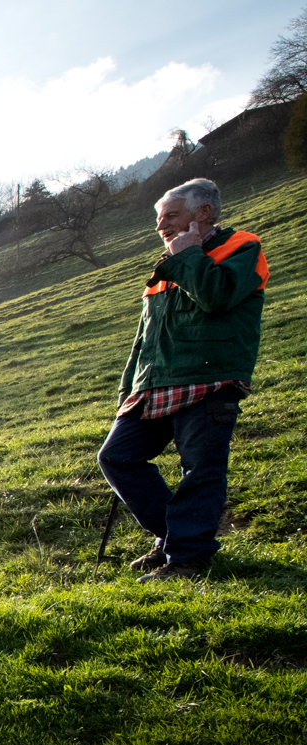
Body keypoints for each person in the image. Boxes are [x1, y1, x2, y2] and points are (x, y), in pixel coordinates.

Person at [97, 178, 266, 582]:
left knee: (201, 469)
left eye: (171, 216)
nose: (161, 226)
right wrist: (129, 388)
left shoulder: (242, 247)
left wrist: (189, 255)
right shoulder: (165, 265)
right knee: (117, 457)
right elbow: (145, 337)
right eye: (159, 218)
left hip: (210, 379)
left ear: (203, 213)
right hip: (154, 384)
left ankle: (189, 558)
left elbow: (217, 298)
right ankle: (176, 535)